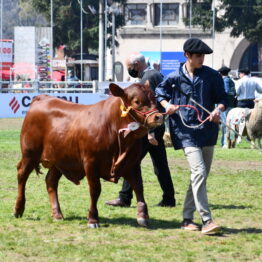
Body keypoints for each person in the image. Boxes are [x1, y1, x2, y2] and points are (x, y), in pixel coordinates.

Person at [155, 38, 227, 235]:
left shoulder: (212, 76)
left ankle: (187, 218)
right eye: (198, 56)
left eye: (203, 56)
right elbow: (159, 93)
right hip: (185, 132)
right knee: (199, 172)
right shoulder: (174, 77)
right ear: (187, 55)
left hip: (208, 132)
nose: (202, 59)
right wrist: (167, 106)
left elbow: (223, 98)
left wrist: (218, 110)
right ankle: (207, 220)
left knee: (199, 176)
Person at [106, 52, 176, 208]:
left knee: (131, 161)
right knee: (159, 164)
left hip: (149, 128)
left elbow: (152, 106)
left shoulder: (148, 79)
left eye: (130, 67)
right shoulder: (154, 75)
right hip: (153, 126)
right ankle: (169, 198)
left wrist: (150, 132)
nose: (130, 69)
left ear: (136, 65)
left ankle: (125, 198)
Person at [218, 66, 236, 147]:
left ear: (220, 73)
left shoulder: (225, 80)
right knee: (231, 124)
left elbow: (226, 91)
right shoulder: (231, 80)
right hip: (231, 104)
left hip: (225, 105)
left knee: (225, 124)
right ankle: (231, 142)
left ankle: (225, 143)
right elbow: (234, 93)